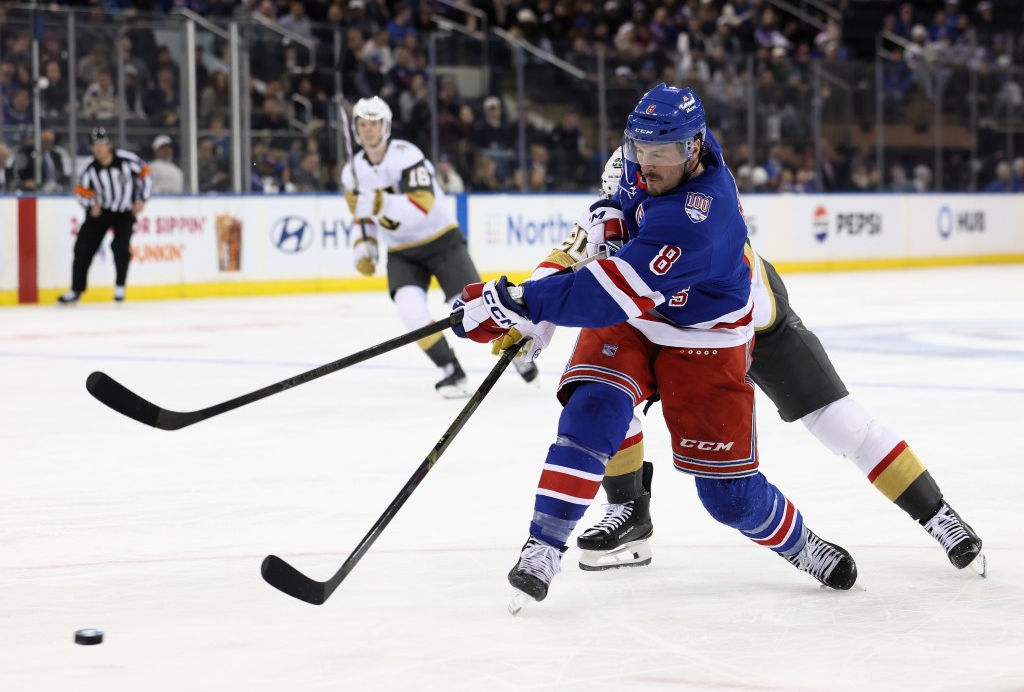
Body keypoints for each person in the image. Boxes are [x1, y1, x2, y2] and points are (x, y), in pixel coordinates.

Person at [451, 84, 859, 610]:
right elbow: (588, 240)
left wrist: (522, 303)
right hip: (639, 317)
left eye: (661, 153)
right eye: (639, 148)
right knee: (592, 411)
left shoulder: (700, 216)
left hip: (706, 337)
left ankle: (802, 545)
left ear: (693, 149)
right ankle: (543, 546)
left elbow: (607, 292)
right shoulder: (639, 161)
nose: (646, 163)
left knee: (728, 498)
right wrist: (530, 306)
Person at [564, 147, 985, 578]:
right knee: (603, 392)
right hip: (678, 337)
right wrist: (525, 315)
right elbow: (569, 261)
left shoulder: (695, 218)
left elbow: (663, 279)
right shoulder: (614, 216)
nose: (638, 198)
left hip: (752, 327)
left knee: (842, 423)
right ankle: (629, 508)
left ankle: (938, 516)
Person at [341, 96, 538, 397]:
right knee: (410, 312)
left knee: (472, 308)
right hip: (401, 252)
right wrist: (364, 248)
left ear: (386, 125)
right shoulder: (351, 172)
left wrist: (378, 201)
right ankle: (450, 369)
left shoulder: (407, 155)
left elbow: (423, 203)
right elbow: (363, 217)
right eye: (362, 124)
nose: (368, 130)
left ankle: (516, 350)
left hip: (441, 240)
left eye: (374, 123)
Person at [57, 128, 151, 305]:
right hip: (101, 213)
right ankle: (76, 290)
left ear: (109, 145)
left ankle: (120, 288)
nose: (98, 149)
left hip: (124, 211)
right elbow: (80, 191)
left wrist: (142, 199)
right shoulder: (89, 167)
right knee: (82, 248)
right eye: (94, 145)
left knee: (121, 247)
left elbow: (145, 173)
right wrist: (90, 205)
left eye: (101, 144)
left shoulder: (126, 159)